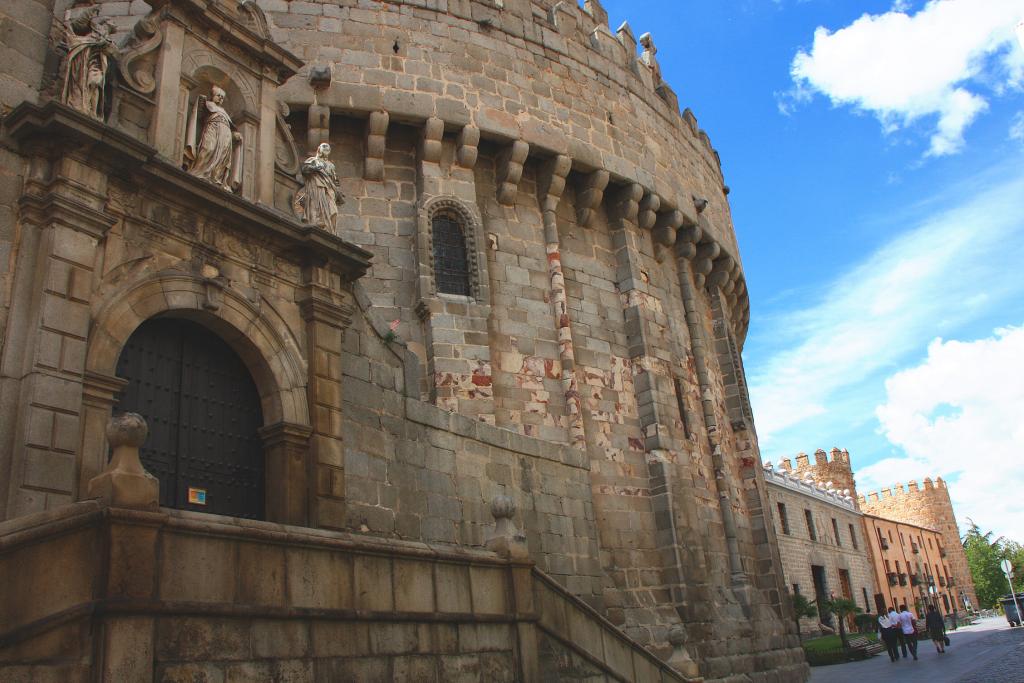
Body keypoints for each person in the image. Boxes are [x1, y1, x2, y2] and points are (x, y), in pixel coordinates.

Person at [186, 86, 243, 191]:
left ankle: (216, 178)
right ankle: (200, 171)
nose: (220, 98)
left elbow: (231, 127)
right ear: (212, 96)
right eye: (218, 96)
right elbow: (199, 113)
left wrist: (234, 135)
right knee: (208, 148)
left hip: (225, 133)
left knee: (223, 157)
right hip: (212, 128)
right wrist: (200, 101)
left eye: (222, 97)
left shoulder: (224, 112)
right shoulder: (208, 104)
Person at [294, 142, 344, 234]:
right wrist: (315, 168)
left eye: (327, 149)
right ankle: (317, 225)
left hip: (329, 190)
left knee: (334, 211)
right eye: (323, 148)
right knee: (315, 207)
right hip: (316, 188)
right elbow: (304, 170)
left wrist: (338, 191)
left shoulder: (331, 165)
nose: (326, 150)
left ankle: (330, 230)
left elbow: (335, 181)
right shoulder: (312, 160)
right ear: (319, 150)